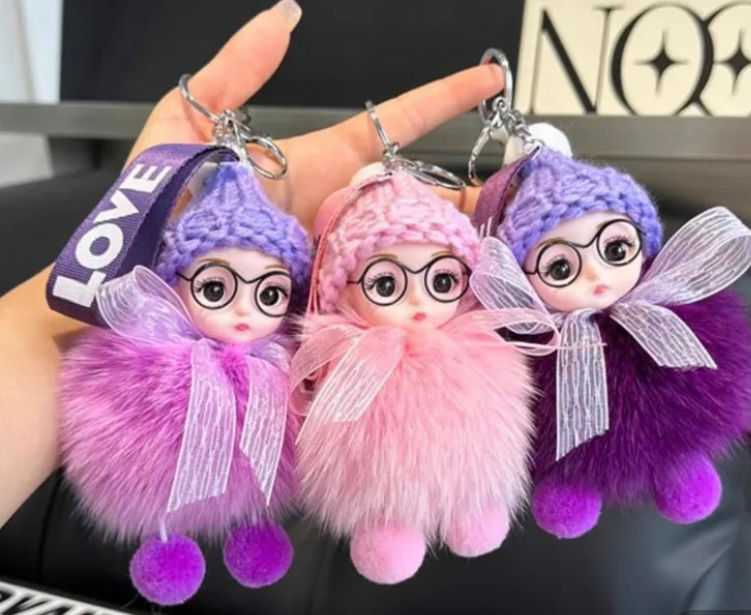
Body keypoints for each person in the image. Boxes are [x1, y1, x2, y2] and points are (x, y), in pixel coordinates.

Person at [0, 0, 503, 527]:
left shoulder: (300, 369)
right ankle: (176, 536)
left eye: (269, 294)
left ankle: (448, 509)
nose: (244, 311)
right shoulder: (178, 357)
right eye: (216, 290)